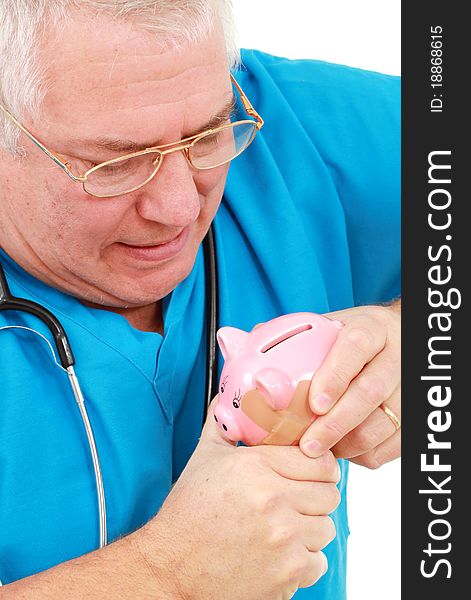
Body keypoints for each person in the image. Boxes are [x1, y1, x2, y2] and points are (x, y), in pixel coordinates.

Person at [0, 1, 401, 598]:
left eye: (208, 135)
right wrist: (165, 578)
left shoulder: (289, 123)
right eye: (115, 163)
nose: (180, 208)